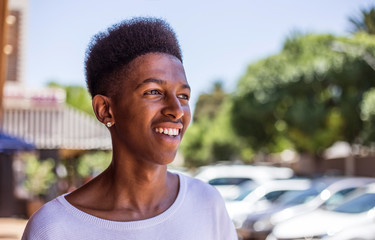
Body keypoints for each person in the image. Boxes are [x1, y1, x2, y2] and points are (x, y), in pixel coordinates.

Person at [22, 17, 237, 240]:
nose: (177, 110)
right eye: (153, 92)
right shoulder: (54, 228)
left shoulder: (207, 204)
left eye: (183, 96)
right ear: (105, 109)